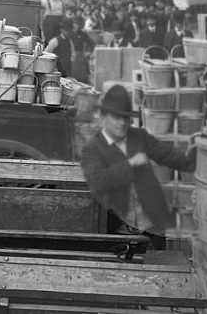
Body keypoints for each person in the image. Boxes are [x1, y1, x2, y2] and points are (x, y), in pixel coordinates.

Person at [81, 84, 197, 248]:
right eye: (116, 117)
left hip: (152, 227)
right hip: (117, 230)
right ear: (103, 116)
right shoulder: (93, 148)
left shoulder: (139, 137)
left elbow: (168, 155)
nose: (122, 123)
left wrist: (191, 154)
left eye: (126, 118)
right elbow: (98, 180)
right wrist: (131, 164)